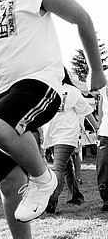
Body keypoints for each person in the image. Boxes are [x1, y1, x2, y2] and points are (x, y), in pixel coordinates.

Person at [0, 0, 106, 238]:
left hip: (38, 81)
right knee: (10, 186)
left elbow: (81, 18)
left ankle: (44, 179)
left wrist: (95, 70)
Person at [43, 68, 97, 213]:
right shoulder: (50, 89)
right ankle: (75, 196)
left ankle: (50, 203)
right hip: (54, 136)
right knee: (66, 168)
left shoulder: (70, 90)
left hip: (65, 135)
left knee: (58, 167)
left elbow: (86, 110)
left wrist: (98, 128)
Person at [96, 70, 108, 212]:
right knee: (103, 167)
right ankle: (106, 199)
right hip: (105, 131)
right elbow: (101, 101)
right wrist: (99, 124)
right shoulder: (103, 74)